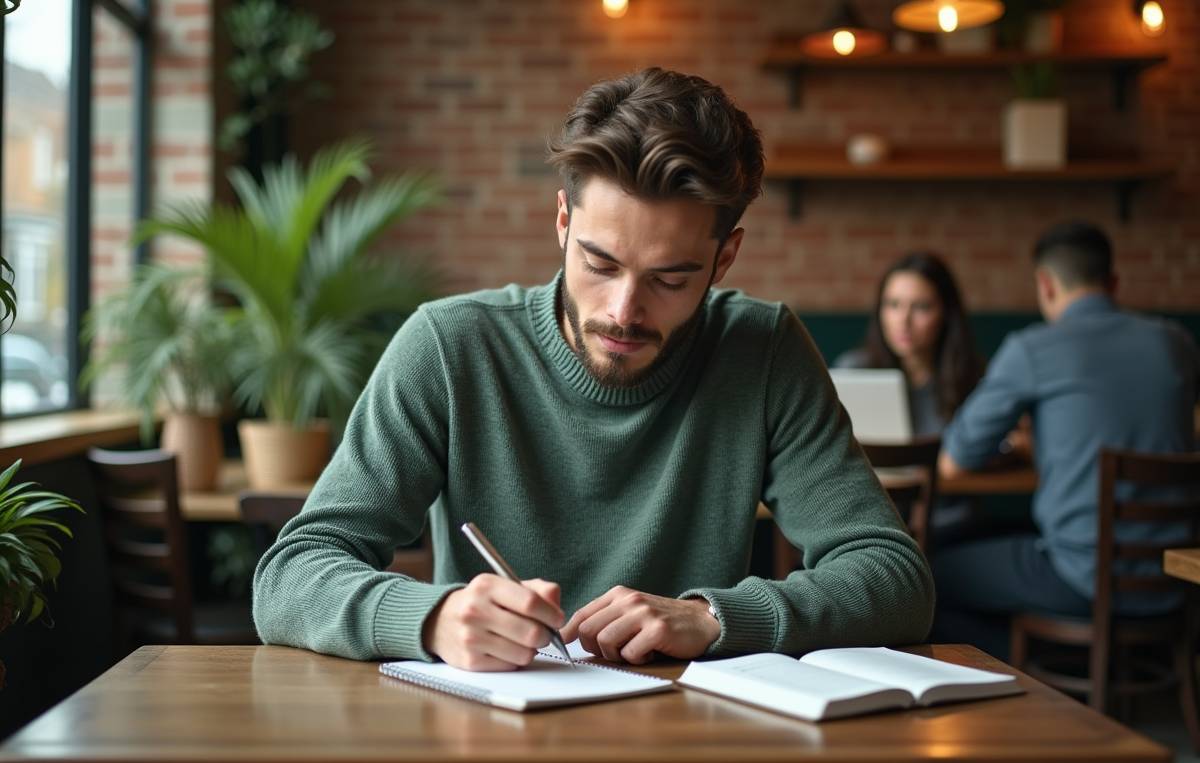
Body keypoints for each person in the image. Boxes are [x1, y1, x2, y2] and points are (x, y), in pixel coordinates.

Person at [253, 67, 934, 672]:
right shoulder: (449, 346)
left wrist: (715, 618)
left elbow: (895, 577)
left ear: (724, 259)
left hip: (691, 736)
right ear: (562, 221)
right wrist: (431, 620)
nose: (623, 311)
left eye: (670, 278)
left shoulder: (763, 351)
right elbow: (290, 575)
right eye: (600, 264)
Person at [930, 222, 1200, 661]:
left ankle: (1043, 669)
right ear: (1113, 282)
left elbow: (954, 461)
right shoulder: (1177, 343)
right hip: (1176, 576)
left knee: (924, 580)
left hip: (1080, 577)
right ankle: (1097, 665)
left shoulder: (1033, 349)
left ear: (1045, 284)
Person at [834, 251, 984, 438]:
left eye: (921, 306)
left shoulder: (977, 381)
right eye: (893, 305)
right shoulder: (852, 372)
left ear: (946, 314)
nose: (903, 320)